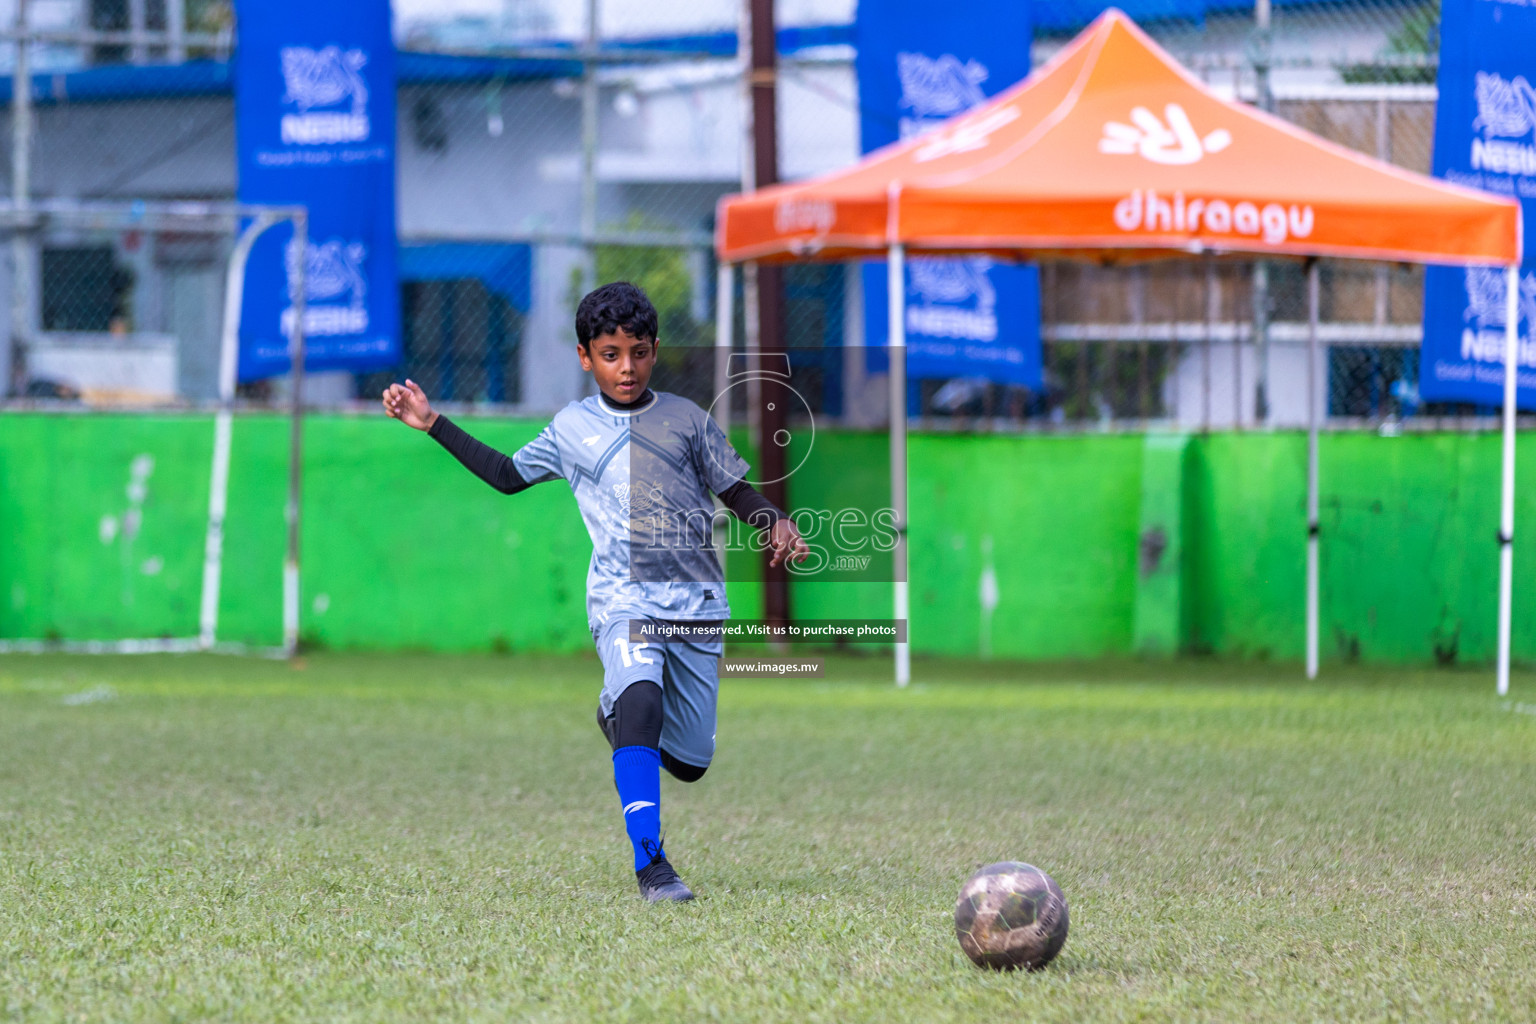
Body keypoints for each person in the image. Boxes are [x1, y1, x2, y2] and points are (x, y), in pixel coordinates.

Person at [381, 281, 808, 902]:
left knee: (689, 762)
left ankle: (617, 719)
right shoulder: (571, 427)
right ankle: (653, 866)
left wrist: (776, 522)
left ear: (655, 350)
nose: (625, 366)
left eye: (637, 352)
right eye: (610, 354)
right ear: (586, 357)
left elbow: (735, 490)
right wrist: (433, 423)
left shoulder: (688, 419)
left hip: (696, 607)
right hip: (623, 600)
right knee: (640, 699)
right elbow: (506, 476)